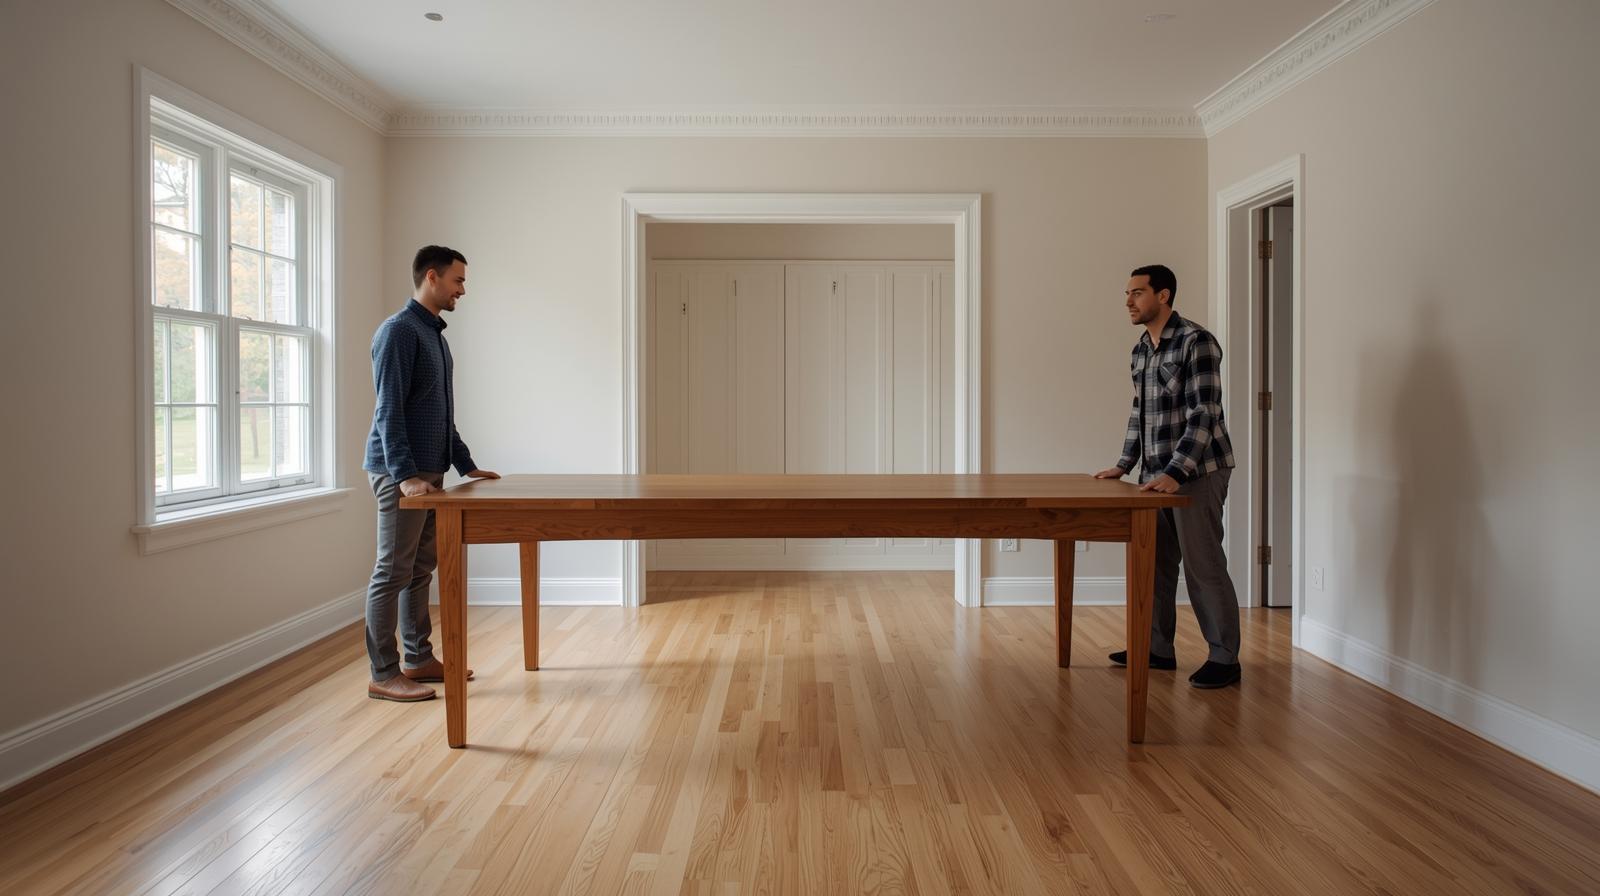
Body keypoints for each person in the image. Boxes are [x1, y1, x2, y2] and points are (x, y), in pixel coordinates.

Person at [361, 245, 499, 702]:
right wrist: (404, 476)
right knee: (393, 569)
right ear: (433, 277)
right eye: (459, 281)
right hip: (400, 472)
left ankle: (418, 660)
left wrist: (466, 465)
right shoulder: (399, 331)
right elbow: (389, 411)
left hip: (430, 472)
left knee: (420, 568)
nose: (463, 290)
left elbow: (441, 414)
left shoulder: (434, 337)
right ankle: (384, 673)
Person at [1094, 264, 1242, 688]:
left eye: (1137, 293)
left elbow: (1205, 413)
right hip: (1154, 474)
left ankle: (1225, 658)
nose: (1128, 302)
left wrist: (1178, 471)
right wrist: (1124, 464)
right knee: (1154, 563)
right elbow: (1139, 412)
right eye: (1127, 293)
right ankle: (1157, 650)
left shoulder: (1198, 342)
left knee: (1203, 565)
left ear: (1164, 295)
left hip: (1198, 472)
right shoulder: (1141, 350)